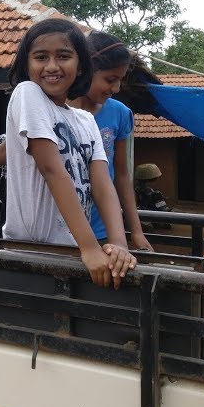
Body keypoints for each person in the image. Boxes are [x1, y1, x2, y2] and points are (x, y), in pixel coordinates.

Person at [0, 18, 136, 288]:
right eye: (41, 57)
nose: (52, 66)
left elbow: (103, 185)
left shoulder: (86, 120)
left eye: (63, 56)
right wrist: (90, 247)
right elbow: (51, 169)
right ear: (27, 64)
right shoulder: (28, 93)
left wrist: (119, 243)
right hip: (33, 252)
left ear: (81, 65)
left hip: (72, 250)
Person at [67, 31, 154, 251]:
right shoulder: (55, 111)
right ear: (85, 69)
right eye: (110, 80)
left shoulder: (120, 114)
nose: (116, 88)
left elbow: (122, 175)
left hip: (103, 230)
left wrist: (136, 231)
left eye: (120, 80)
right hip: (60, 229)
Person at [133, 163, 173, 233]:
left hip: (139, 215)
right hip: (149, 218)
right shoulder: (156, 194)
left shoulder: (136, 189)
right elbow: (163, 211)